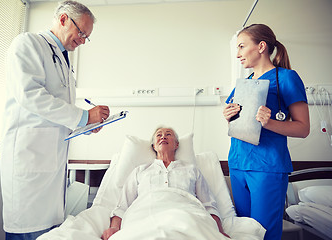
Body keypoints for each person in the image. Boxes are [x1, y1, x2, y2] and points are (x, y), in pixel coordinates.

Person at [0, 1, 110, 239]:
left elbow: (57, 114)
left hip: (52, 167)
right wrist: (82, 116)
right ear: (62, 19)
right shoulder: (27, 44)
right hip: (29, 162)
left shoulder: (64, 60)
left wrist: (86, 124)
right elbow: (30, 96)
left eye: (86, 37)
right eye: (81, 32)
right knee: (29, 231)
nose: (82, 41)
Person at [223, 24, 310, 240]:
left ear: (261, 46)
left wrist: (269, 122)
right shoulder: (243, 84)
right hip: (238, 164)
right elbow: (238, 126)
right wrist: (228, 117)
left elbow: (303, 128)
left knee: (265, 234)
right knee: (244, 233)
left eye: (242, 46)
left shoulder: (287, 78)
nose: (238, 54)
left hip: (267, 167)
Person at [102, 127, 230, 240]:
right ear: (153, 146)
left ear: (176, 144)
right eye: (159, 135)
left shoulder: (192, 170)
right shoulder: (140, 171)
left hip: (186, 214)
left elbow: (209, 205)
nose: (163, 136)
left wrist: (219, 232)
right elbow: (122, 206)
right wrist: (114, 228)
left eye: (168, 134)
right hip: (145, 213)